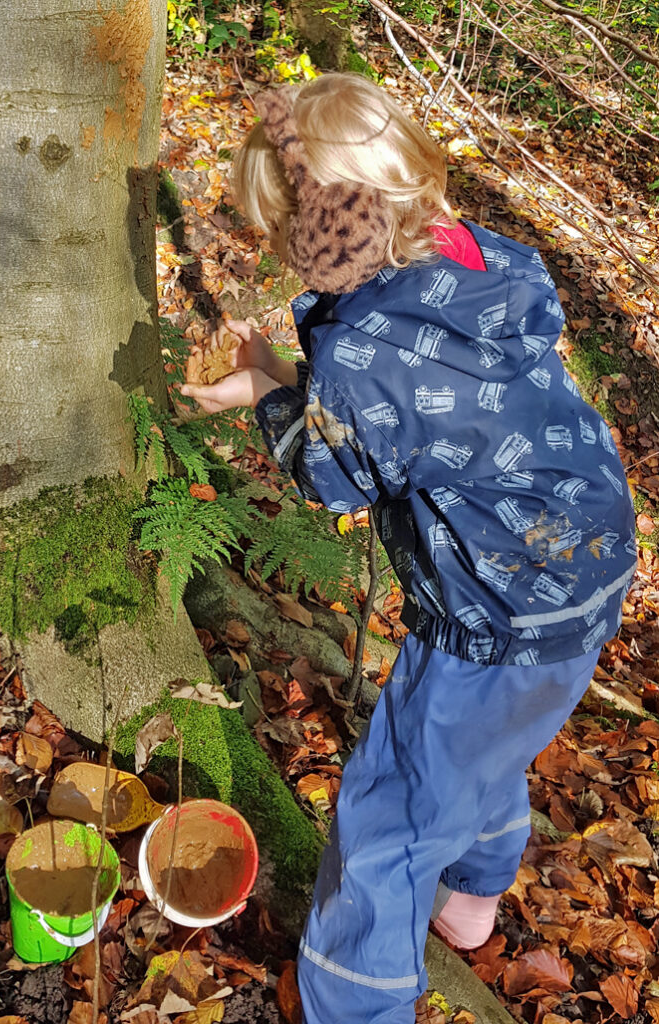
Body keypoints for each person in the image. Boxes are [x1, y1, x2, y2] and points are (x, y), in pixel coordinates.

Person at [180, 72, 636, 1024]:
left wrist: (269, 389)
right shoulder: (487, 262)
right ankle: (470, 909)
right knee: (486, 755)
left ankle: (349, 1002)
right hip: (583, 575)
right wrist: (312, 373)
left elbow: (339, 471)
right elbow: (429, 394)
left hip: (489, 617)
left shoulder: (366, 357)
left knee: (389, 812)